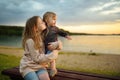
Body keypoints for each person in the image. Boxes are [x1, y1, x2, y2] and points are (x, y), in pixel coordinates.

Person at [19, 16, 62, 80]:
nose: (44, 22)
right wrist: (54, 54)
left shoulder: (42, 36)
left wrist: (58, 44)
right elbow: (37, 58)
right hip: (28, 67)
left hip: (40, 66)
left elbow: (54, 42)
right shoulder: (30, 40)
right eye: (41, 22)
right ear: (35, 28)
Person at [42, 11, 72, 77]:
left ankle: (53, 69)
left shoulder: (55, 28)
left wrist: (66, 35)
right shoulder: (43, 28)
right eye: (53, 19)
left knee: (52, 58)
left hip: (53, 46)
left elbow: (61, 32)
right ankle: (44, 68)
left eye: (56, 19)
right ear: (46, 20)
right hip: (44, 47)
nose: (55, 21)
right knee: (44, 58)